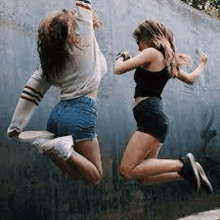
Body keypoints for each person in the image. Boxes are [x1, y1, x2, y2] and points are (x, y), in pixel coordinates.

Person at [7, 0, 107, 186]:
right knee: (95, 177)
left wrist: (16, 126)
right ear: (73, 27)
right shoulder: (83, 42)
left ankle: (51, 144)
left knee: (78, 172)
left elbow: (30, 92)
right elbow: (84, 8)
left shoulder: (51, 63)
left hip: (58, 115)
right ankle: (62, 149)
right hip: (81, 112)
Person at [114, 20, 213, 193]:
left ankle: (183, 164)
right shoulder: (166, 60)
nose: (138, 46)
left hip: (150, 117)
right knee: (144, 178)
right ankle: (187, 172)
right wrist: (202, 64)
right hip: (154, 119)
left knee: (126, 170)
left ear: (147, 37)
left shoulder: (151, 52)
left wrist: (120, 56)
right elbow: (190, 78)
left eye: (138, 41)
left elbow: (119, 69)